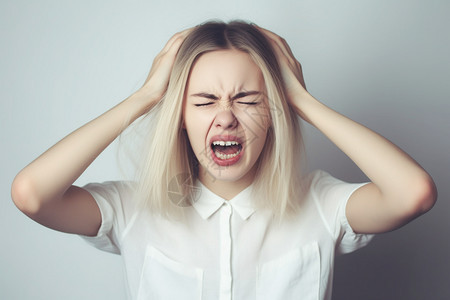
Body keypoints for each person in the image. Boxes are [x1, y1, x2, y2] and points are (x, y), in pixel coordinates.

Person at [11, 21, 437, 300]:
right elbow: (31, 194)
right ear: (180, 118)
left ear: (274, 112)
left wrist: (302, 101)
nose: (226, 117)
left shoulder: (320, 203)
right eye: (204, 101)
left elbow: (414, 194)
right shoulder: (133, 209)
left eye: (248, 99)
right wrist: (146, 97)